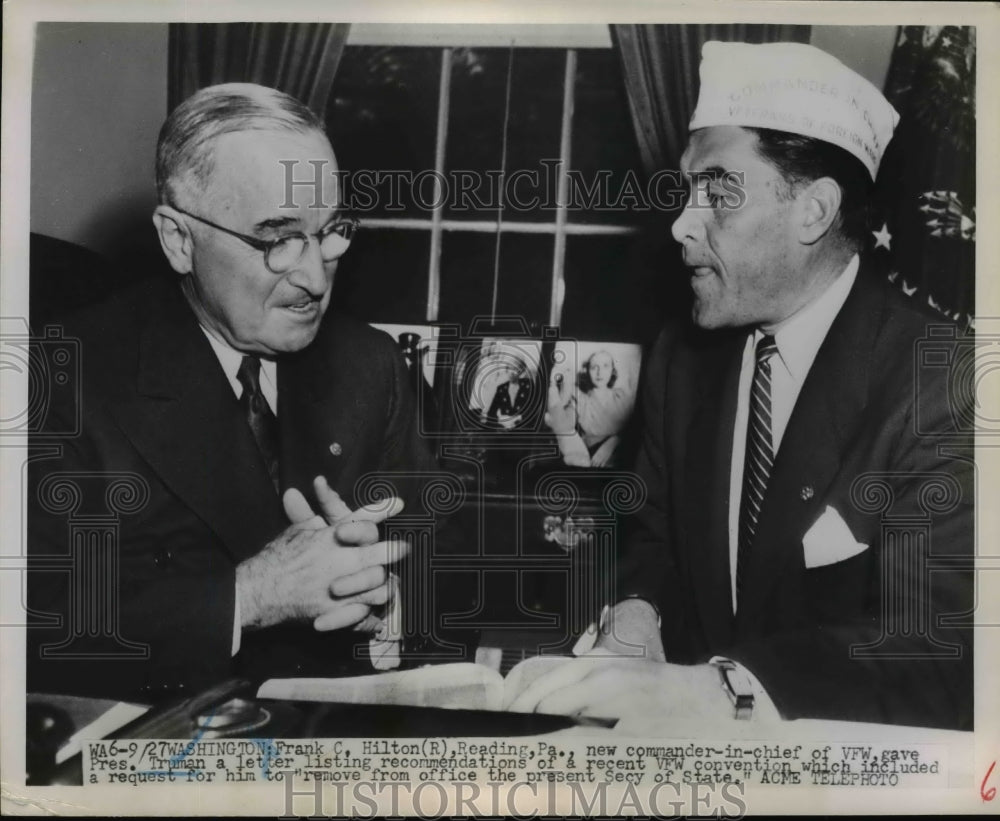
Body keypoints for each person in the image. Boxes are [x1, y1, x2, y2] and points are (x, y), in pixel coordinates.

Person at [511, 42, 973, 729]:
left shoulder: (948, 381)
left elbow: (939, 649)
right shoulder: (684, 357)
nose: (680, 223)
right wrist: (639, 610)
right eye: (685, 190)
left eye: (718, 191)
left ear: (813, 211)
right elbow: (655, 536)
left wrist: (724, 691)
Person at [26, 83, 443, 701]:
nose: (313, 277)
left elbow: (436, 549)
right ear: (178, 239)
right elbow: (36, 630)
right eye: (276, 239)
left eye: (330, 232)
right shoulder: (59, 376)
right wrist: (252, 594)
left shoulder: (370, 364)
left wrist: (390, 599)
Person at [546, 350, 634, 467]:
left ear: (612, 370)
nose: (599, 372)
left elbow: (636, 429)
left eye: (605, 366)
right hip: (588, 462)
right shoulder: (581, 400)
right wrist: (555, 387)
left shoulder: (623, 397)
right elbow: (563, 425)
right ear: (587, 371)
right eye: (594, 367)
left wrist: (613, 441)